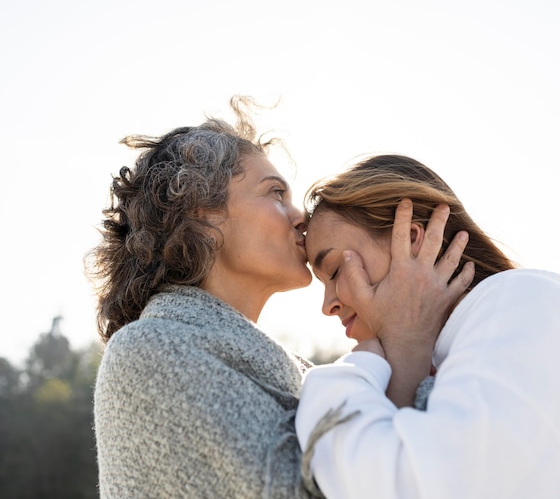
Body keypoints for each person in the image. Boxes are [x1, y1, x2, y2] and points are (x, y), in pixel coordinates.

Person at [85, 98, 474, 498]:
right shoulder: (151, 351)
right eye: (275, 194)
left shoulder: (294, 371)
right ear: (203, 215)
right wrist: (406, 339)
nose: (300, 217)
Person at [295, 154, 560, 499]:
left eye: (334, 271)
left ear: (409, 238)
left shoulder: (515, 304)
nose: (327, 305)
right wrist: (405, 346)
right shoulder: (469, 340)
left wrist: (346, 379)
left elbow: (421, 485)